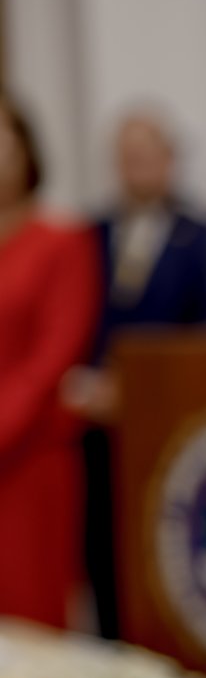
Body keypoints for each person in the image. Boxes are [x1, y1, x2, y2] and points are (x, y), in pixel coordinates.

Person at [70, 110, 206, 638]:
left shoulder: (203, 240)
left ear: (171, 160)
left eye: (148, 154)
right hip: (95, 426)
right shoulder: (87, 236)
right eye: (128, 156)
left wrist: (146, 390)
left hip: (170, 424)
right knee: (103, 554)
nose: (138, 166)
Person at [0, 97, 102, 628]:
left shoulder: (62, 242)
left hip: (29, 458)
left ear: (23, 148)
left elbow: (54, 357)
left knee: (30, 626)